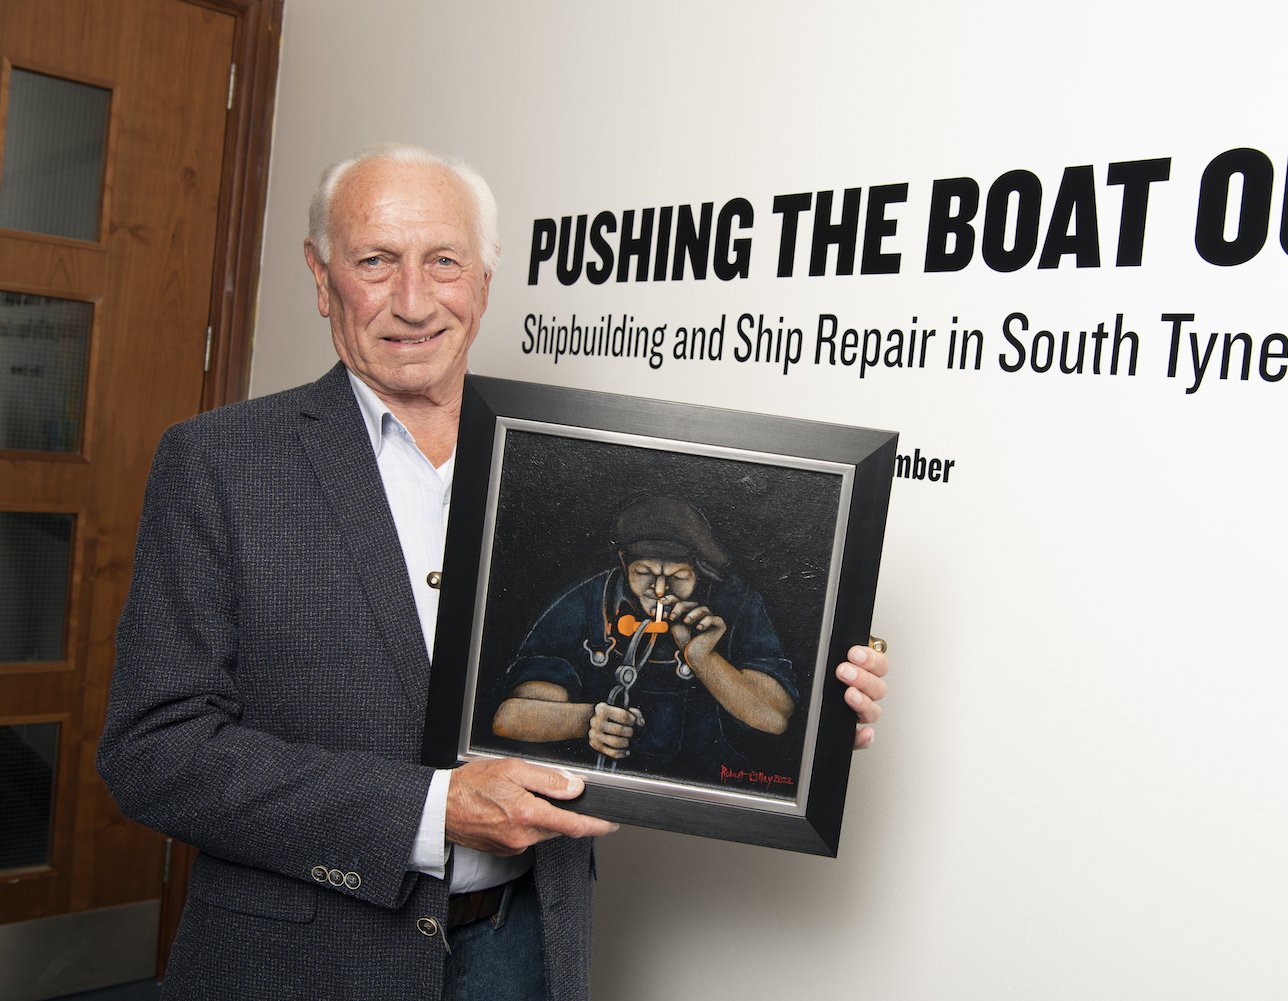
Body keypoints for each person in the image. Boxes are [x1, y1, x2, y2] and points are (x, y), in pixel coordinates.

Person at [96, 143, 889, 1001]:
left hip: (526, 949)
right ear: (322, 278)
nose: (411, 300)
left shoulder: (557, 470)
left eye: (443, 261)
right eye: (374, 261)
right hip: (306, 963)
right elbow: (154, 750)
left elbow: (680, 714)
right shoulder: (220, 463)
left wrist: (809, 729)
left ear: (483, 282)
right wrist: (430, 813)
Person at [493, 494, 799, 787]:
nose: (661, 590)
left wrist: (704, 658)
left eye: (679, 576)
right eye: (644, 572)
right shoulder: (586, 602)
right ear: (625, 563)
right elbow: (510, 718)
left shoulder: (736, 602)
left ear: (701, 571)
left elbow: (774, 719)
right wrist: (586, 721)